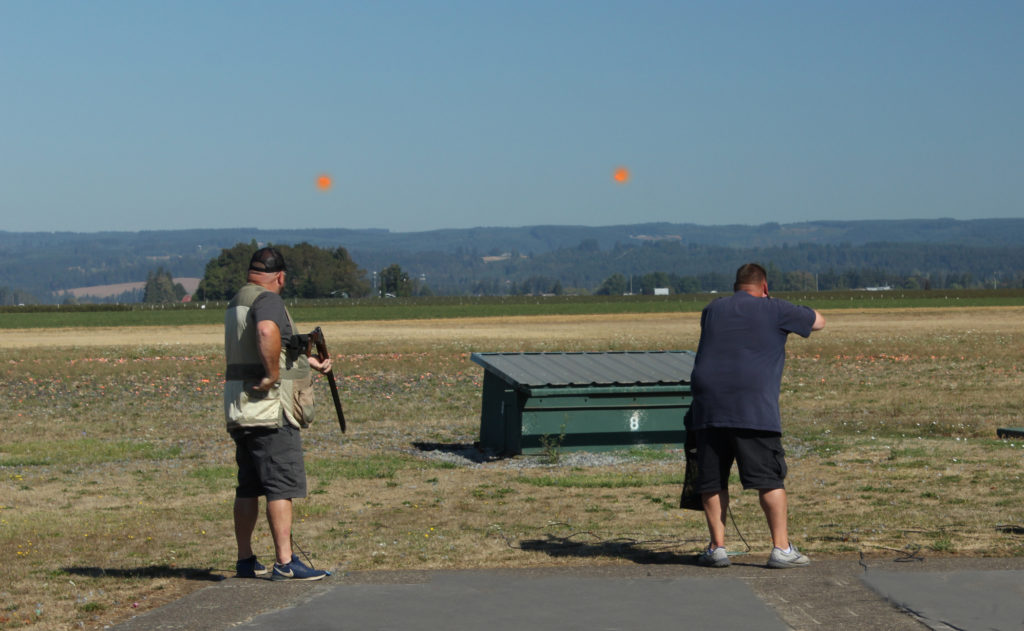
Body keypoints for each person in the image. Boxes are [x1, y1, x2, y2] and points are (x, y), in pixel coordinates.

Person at [688, 263, 825, 569]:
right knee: (768, 478)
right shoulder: (775, 309)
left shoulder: (712, 310)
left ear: (736, 286)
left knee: (711, 479)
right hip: (752, 407)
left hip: (708, 406)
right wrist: (788, 307)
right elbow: (818, 322)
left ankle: (717, 547)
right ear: (764, 287)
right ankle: (781, 547)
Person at [223, 246, 332, 581]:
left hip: (242, 408)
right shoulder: (268, 299)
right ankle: (285, 562)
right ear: (280, 276)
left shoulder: (238, 300)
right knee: (280, 487)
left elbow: (263, 344)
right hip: (272, 410)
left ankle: (245, 560)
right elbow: (267, 332)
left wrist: (304, 360)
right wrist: (272, 375)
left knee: (247, 487)